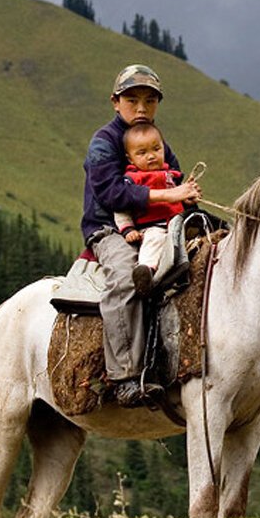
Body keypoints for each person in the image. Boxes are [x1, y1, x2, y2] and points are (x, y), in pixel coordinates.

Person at [81, 64, 200, 407]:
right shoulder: (104, 143)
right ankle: (124, 377)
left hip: (163, 226)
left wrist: (190, 199)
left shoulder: (158, 141)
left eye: (150, 100)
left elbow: (175, 182)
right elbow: (110, 194)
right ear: (115, 102)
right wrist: (169, 197)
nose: (141, 107)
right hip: (112, 229)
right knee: (124, 278)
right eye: (132, 99)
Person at [113, 122, 187, 297]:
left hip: (179, 223)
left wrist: (188, 198)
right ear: (130, 159)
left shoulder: (171, 175)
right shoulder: (132, 180)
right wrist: (128, 229)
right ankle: (146, 272)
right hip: (155, 227)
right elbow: (121, 208)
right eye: (142, 153)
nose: (151, 156)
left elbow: (179, 199)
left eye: (156, 149)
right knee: (154, 241)